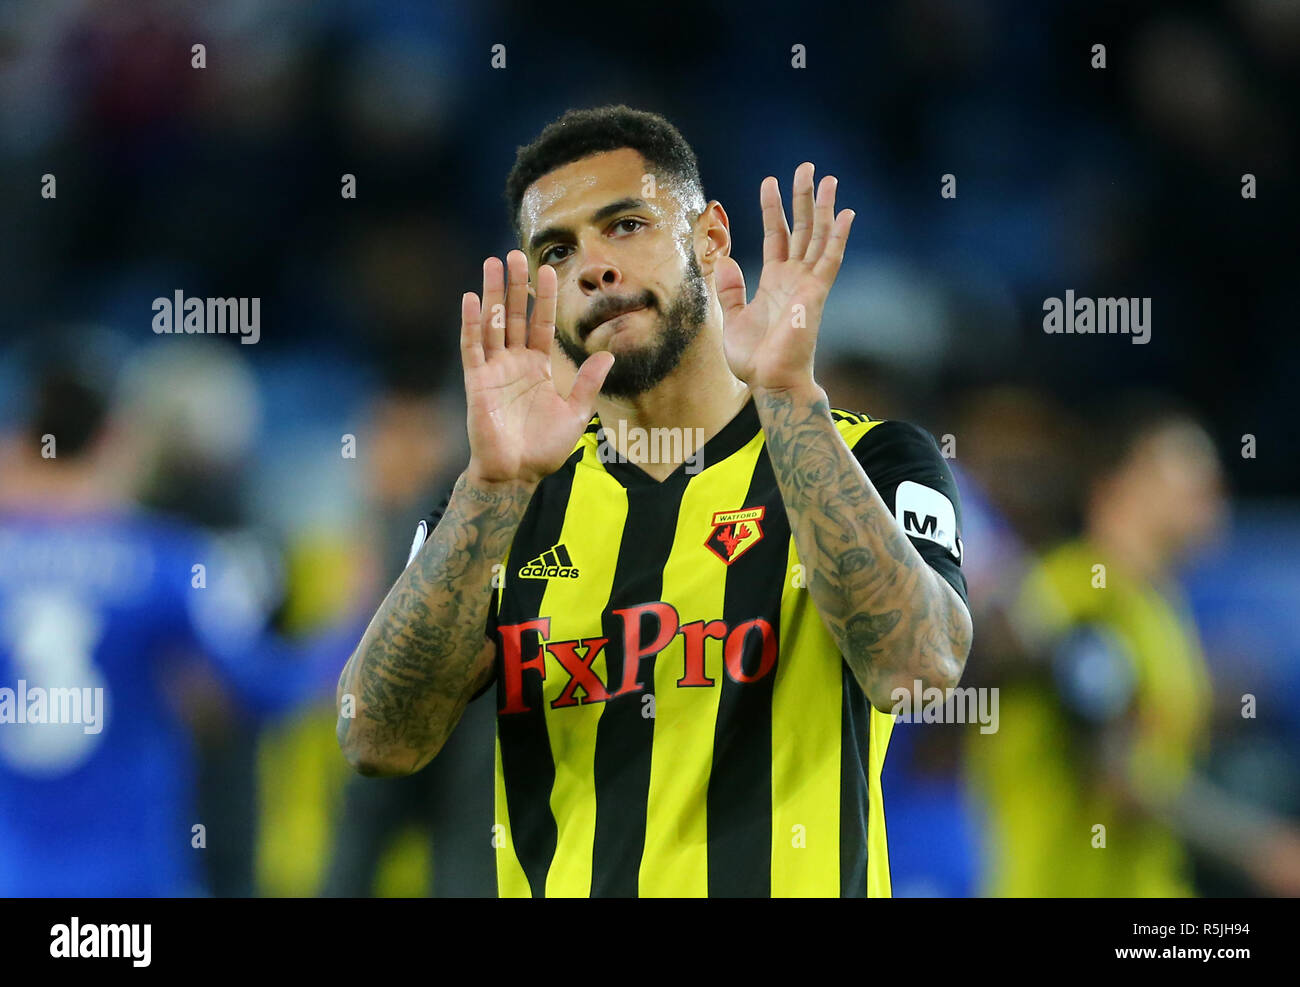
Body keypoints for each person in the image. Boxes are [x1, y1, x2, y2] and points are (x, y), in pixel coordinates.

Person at [336, 105, 973, 897]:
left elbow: (917, 668)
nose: (594, 266)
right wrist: (490, 489)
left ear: (709, 238)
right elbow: (376, 736)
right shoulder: (500, 506)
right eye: (559, 250)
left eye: (627, 224)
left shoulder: (871, 459)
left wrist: (785, 395)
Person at [0, 353, 353, 896]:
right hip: (131, 888)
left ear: (24, 440)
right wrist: (358, 623)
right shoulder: (168, 564)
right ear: (116, 438)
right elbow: (269, 690)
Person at [966, 394, 1300, 897]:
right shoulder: (1081, 592)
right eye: (1188, 473)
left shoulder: (1157, 608)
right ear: (1114, 485)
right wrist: (1261, 849)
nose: (1213, 491)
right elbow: (1120, 776)